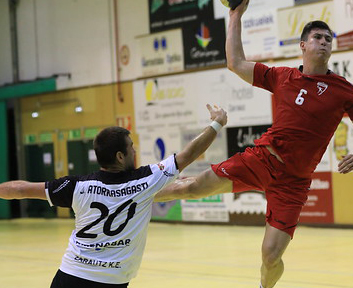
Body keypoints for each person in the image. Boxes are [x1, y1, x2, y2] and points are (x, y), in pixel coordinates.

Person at [155, 1, 353, 287]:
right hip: (260, 160)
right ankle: (132, 197)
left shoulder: (345, 91)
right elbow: (235, 63)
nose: (324, 43)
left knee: (270, 256)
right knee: (191, 187)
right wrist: (235, 15)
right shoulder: (283, 77)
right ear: (303, 45)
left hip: (293, 183)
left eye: (328, 39)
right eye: (317, 38)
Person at [0, 104, 227, 288]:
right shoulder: (144, 181)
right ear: (120, 156)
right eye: (131, 147)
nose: (134, 151)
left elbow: (20, 189)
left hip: (70, 275)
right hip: (111, 282)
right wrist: (217, 123)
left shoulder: (76, 186)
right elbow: (188, 155)